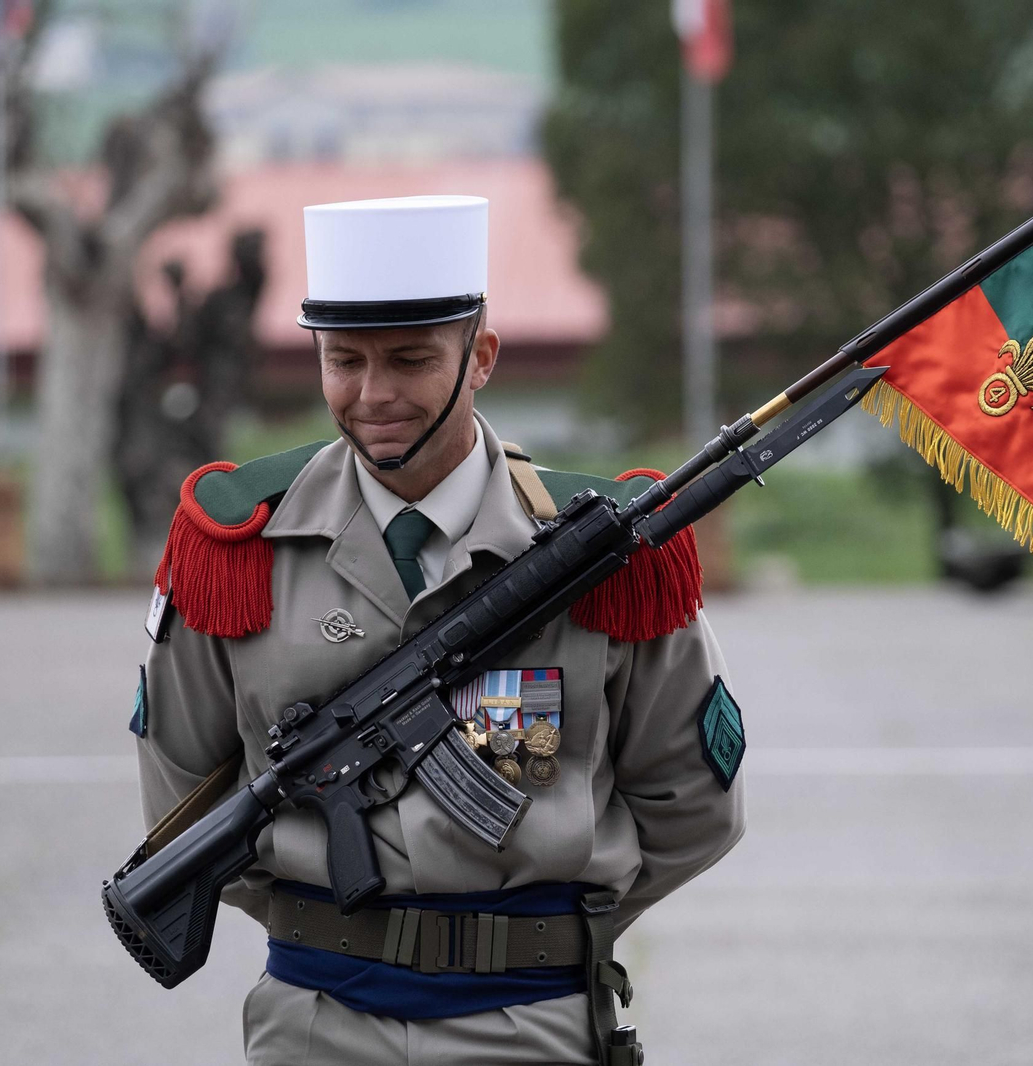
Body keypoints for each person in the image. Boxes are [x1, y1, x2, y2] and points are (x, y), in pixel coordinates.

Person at [133, 194, 746, 1066]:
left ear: (482, 355)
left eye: (412, 360)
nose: (374, 395)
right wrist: (335, 920)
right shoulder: (235, 544)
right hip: (316, 1024)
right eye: (343, 361)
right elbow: (182, 801)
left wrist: (537, 932)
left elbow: (694, 808)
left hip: (530, 1023)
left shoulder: (603, 549)